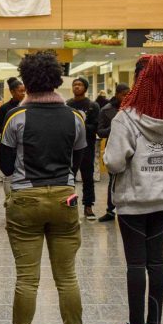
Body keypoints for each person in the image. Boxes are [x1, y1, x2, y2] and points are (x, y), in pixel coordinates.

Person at [0, 51, 91, 324]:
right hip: (65, 199)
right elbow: (78, 161)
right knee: (67, 277)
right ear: (57, 80)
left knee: (27, 279)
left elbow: (6, 166)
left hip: (25, 202)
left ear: (27, 81)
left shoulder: (15, 118)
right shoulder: (75, 118)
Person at [104, 54, 163, 324]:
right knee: (156, 262)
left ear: (140, 81)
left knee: (136, 264)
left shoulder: (125, 118)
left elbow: (114, 162)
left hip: (133, 201)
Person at [96, 82, 130, 222]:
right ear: (116, 94)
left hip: (131, 149)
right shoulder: (106, 110)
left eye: (129, 94)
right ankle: (110, 211)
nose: (126, 97)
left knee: (129, 179)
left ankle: (128, 210)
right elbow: (100, 131)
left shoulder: (132, 109)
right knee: (113, 180)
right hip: (114, 148)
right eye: (124, 95)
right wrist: (115, 128)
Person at [66, 77, 100, 220]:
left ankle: (88, 206)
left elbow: (95, 127)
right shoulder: (67, 105)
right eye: (75, 85)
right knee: (69, 177)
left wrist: (80, 126)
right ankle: (70, 206)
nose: (77, 87)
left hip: (87, 146)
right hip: (70, 147)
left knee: (88, 177)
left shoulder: (93, 106)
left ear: (85, 88)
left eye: (80, 85)